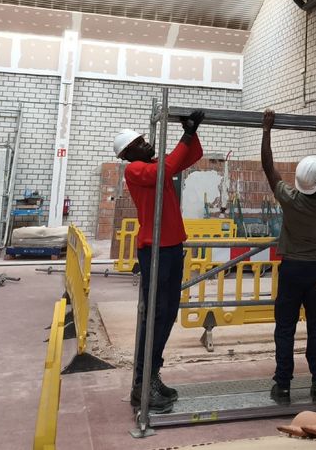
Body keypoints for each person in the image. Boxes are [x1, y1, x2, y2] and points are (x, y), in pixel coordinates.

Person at [114, 109, 205, 414]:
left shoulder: (156, 165)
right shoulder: (135, 170)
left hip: (172, 247)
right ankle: (142, 384)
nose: (146, 143)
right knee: (154, 316)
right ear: (127, 154)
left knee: (167, 315)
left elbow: (192, 156)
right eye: (139, 143)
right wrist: (186, 135)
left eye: (144, 139)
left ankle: (152, 376)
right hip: (155, 250)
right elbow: (167, 169)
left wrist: (191, 132)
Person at [261, 109, 316, 405]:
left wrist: (267, 130)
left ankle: (283, 385)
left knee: (285, 328)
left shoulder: (289, 198)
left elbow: (268, 167)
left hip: (291, 269)